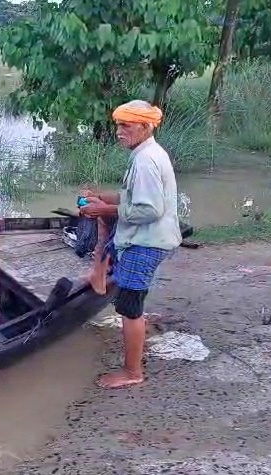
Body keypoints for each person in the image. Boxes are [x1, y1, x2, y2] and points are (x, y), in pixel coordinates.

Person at [78, 100, 182, 390]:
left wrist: (103, 210)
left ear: (145, 127)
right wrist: (104, 198)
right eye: (117, 125)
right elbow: (135, 198)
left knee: (129, 305)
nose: (119, 132)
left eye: (126, 125)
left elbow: (150, 211)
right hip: (151, 238)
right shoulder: (146, 154)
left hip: (147, 242)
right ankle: (100, 277)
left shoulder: (146, 160)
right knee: (127, 289)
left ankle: (132, 371)